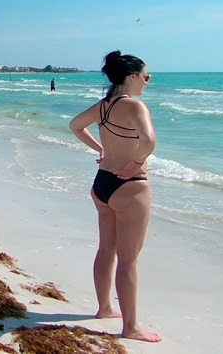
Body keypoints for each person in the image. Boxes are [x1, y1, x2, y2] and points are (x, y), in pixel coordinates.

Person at [68, 50, 160, 343]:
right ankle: (131, 327)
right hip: (130, 185)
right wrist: (135, 162)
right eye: (146, 76)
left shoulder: (104, 106)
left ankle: (105, 308)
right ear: (131, 77)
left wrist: (100, 149)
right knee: (129, 259)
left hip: (102, 184)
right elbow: (149, 141)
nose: (147, 82)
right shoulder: (135, 107)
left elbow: (74, 126)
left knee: (106, 249)